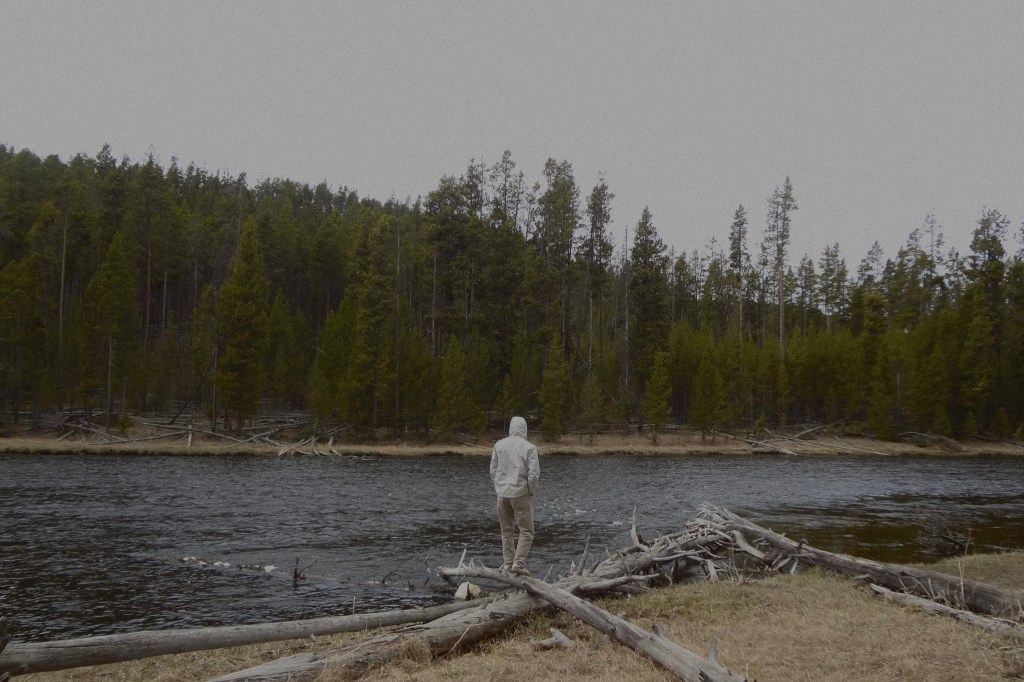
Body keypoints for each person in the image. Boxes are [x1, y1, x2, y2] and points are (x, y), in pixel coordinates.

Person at [489, 415, 540, 576]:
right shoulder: (530, 448)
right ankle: (518, 563)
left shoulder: (499, 445)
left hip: (502, 494)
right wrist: (531, 491)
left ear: (511, 428)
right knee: (526, 531)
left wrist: (498, 487)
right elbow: (533, 474)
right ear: (525, 429)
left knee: (506, 531)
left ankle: (507, 563)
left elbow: (493, 470)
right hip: (521, 493)